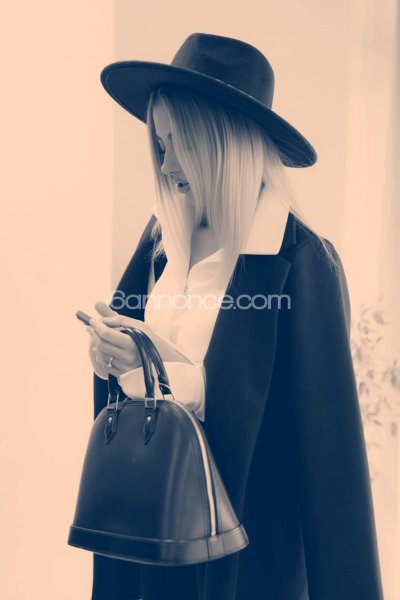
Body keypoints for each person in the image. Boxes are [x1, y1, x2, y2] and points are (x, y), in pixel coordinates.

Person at [85, 33, 383, 600]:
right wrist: (108, 356)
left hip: (247, 554)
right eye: (161, 144)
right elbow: (129, 369)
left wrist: (170, 372)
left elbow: (329, 451)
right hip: (151, 534)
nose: (166, 164)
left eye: (180, 144)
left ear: (223, 143)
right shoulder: (160, 241)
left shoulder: (300, 261)